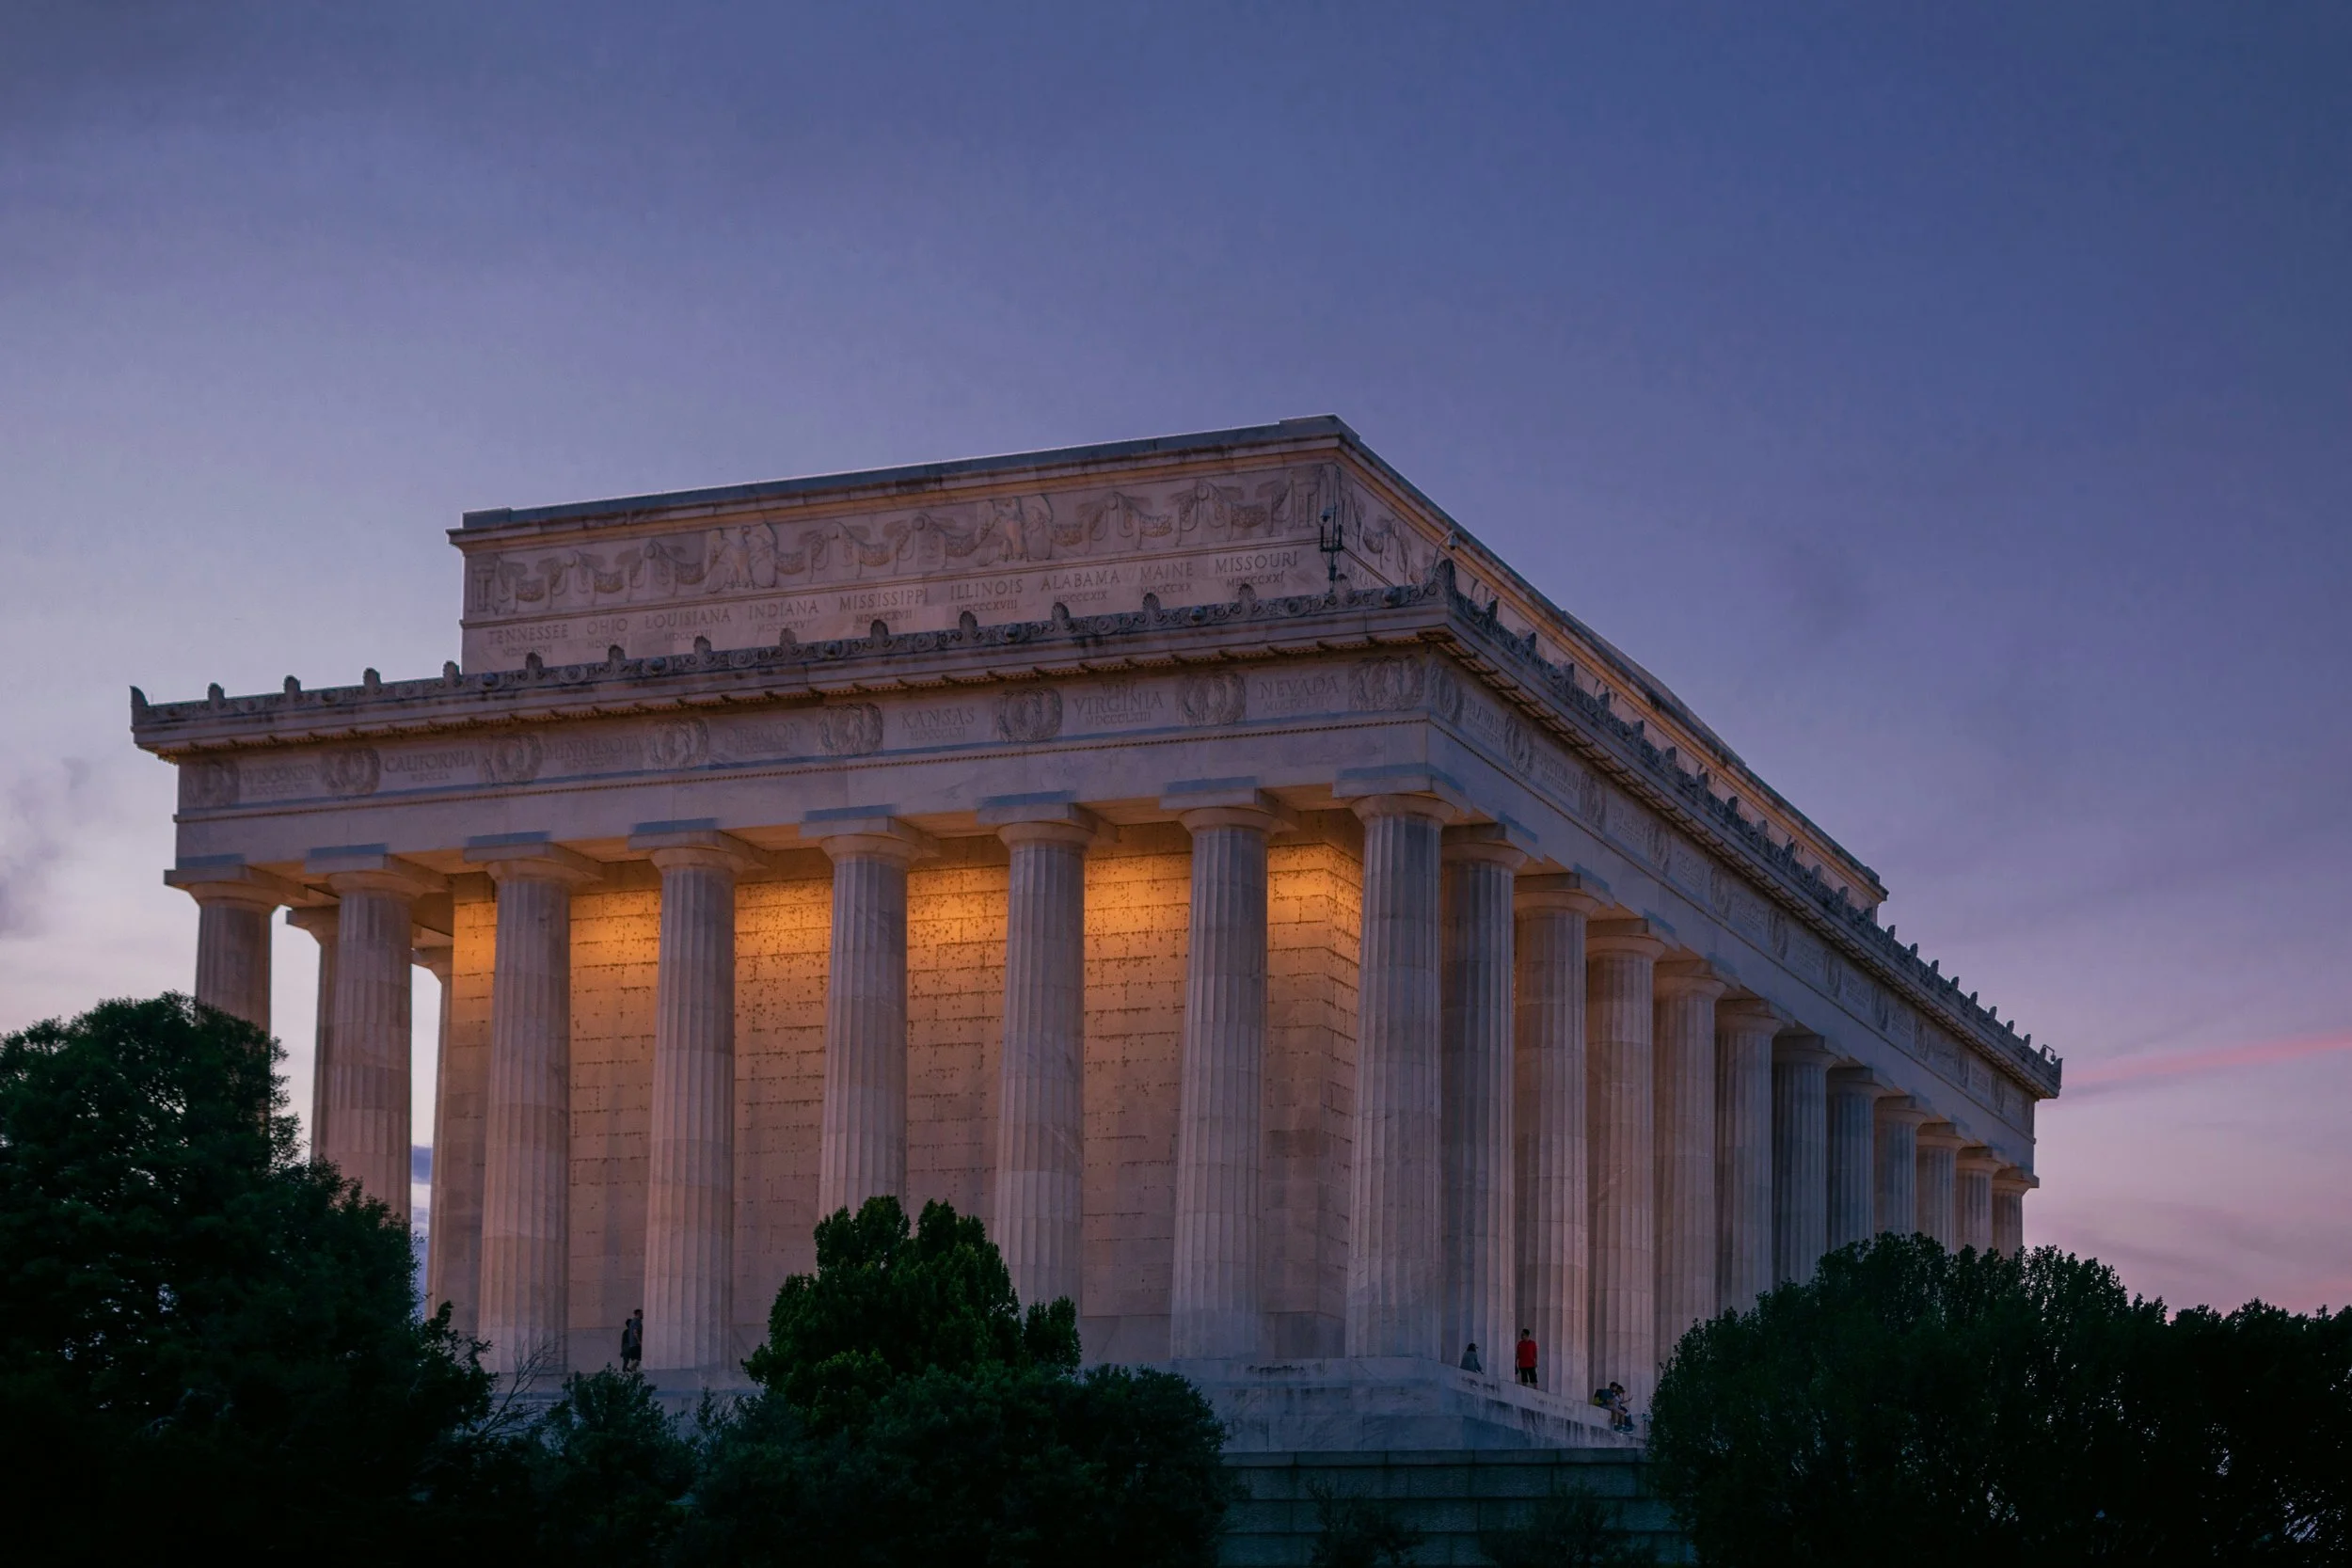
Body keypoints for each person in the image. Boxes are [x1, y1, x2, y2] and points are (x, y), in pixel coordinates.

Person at [621, 1307, 644, 1373]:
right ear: (638, 1314)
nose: (643, 1314)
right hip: (635, 1344)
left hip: (632, 1344)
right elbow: (635, 1332)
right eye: (642, 1313)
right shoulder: (637, 1321)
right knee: (638, 1358)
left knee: (635, 1359)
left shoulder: (632, 1322)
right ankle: (630, 1368)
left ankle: (633, 1372)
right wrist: (639, 1342)